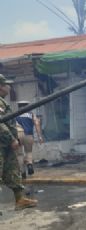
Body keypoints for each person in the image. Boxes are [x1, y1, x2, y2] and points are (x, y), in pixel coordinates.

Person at [0, 74, 38, 210]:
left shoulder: (3, 102)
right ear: (1, 86)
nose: (9, 87)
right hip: (2, 144)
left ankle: (20, 199)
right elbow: (0, 124)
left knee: (13, 171)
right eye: (6, 84)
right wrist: (11, 139)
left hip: (6, 146)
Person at [15, 100, 44, 178]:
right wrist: (40, 136)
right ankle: (30, 164)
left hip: (18, 135)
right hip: (29, 135)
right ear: (28, 106)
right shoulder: (31, 114)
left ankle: (23, 172)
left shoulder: (15, 114)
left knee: (19, 154)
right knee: (29, 152)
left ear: (18, 106)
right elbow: (37, 124)